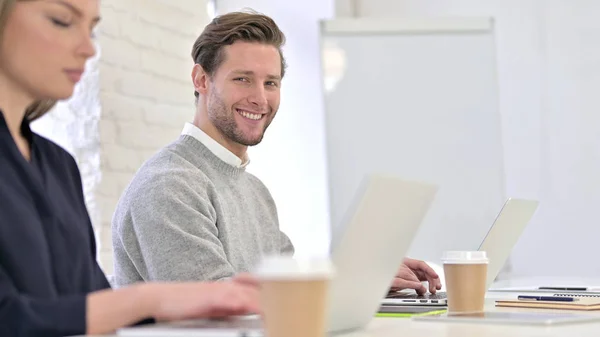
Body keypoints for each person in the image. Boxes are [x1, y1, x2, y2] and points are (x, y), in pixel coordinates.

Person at [111, 10, 442, 296]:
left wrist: (362, 280)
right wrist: (346, 284)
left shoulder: (255, 191)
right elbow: (213, 306)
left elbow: (287, 289)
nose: (260, 98)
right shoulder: (169, 185)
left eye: (271, 83)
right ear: (201, 79)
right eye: (242, 79)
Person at [0, 1, 260, 336]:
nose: (88, 48)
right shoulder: (169, 182)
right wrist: (151, 298)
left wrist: (192, 305)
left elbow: (87, 303)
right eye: (61, 21)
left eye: (92, 29)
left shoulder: (58, 165)